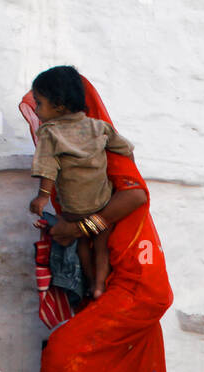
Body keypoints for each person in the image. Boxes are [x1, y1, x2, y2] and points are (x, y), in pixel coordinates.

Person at [20, 73, 174, 372]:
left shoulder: (103, 147)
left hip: (138, 285)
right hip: (123, 283)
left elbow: (136, 196)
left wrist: (79, 227)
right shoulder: (76, 157)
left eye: (43, 106)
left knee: (63, 354)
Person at [28, 66, 135, 299]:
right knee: (102, 246)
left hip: (75, 210)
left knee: (83, 246)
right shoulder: (98, 127)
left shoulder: (50, 132)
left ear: (58, 105)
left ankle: (88, 284)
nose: (36, 110)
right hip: (102, 204)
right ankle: (99, 285)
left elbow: (48, 166)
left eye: (39, 103)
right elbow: (125, 149)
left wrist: (43, 195)